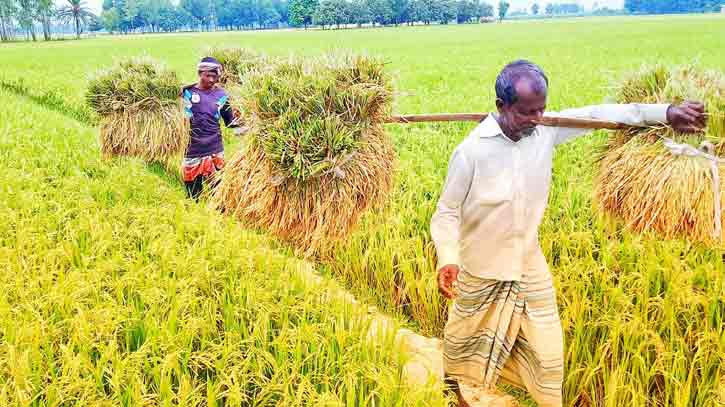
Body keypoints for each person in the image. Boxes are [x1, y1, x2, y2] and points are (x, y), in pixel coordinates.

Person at [430, 59, 706, 407]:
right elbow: (446, 212)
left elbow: (602, 114)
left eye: (542, 109)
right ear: (502, 106)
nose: (538, 118)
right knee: (462, 341)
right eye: (528, 112)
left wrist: (665, 112)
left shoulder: (546, 130)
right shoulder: (471, 152)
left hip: (529, 265)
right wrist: (447, 259)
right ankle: (452, 391)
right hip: (482, 268)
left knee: (548, 357)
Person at [181, 56, 244, 200]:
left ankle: (218, 215)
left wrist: (248, 125)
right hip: (192, 149)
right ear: (199, 73)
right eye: (207, 75)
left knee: (218, 190)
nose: (211, 79)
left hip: (215, 149)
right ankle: (195, 214)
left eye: (214, 76)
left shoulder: (221, 95)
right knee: (193, 193)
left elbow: (230, 121)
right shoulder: (186, 93)